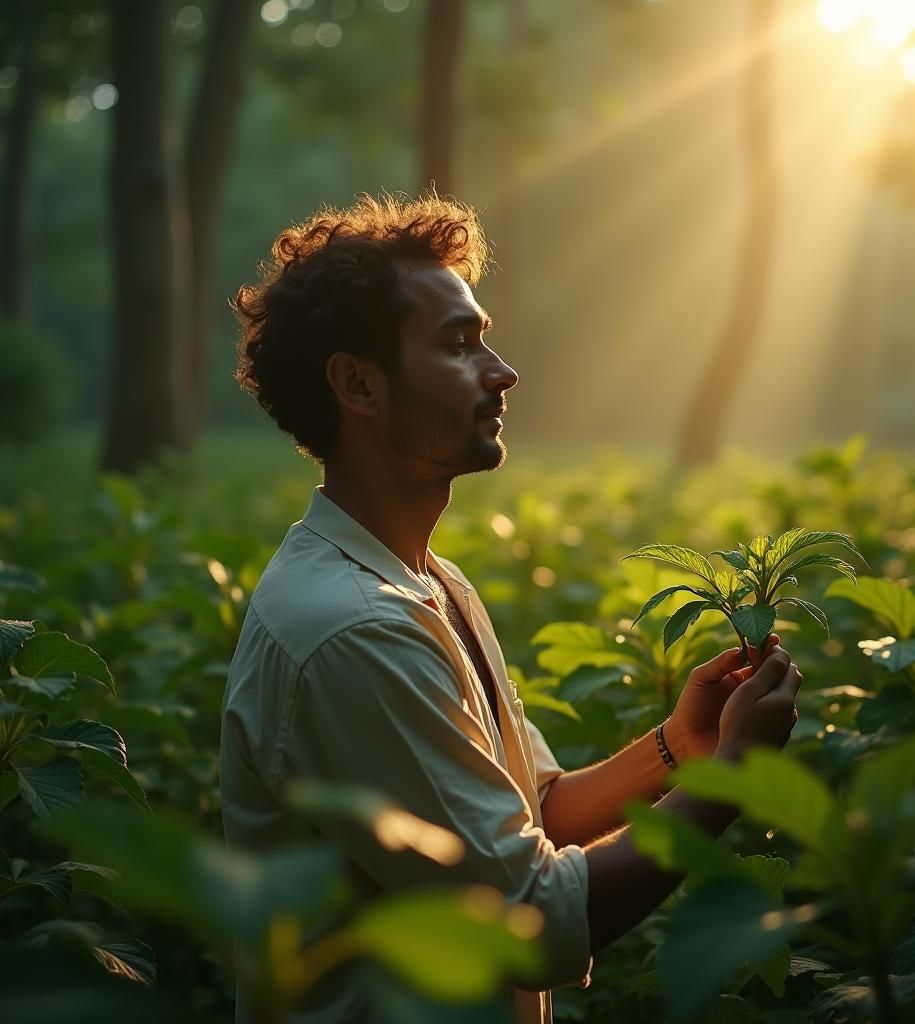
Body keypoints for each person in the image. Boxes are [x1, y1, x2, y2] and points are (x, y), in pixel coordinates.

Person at [219, 192, 802, 1024]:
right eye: (459, 345)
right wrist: (735, 778)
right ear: (357, 384)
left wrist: (683, 747)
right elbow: (527, 919)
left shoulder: (427, 583)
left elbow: (541, 811)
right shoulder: (358, 629)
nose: (502, 370)